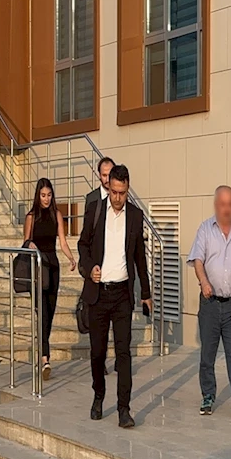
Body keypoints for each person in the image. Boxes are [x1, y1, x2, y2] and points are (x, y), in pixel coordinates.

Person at [78, 165, 152, 428]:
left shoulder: (135, 215)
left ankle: (124, 409)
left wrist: (146, 293)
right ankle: (98, 395)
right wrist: (90, 269)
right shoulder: (95, 210)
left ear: (127, 189)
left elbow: (139, 256)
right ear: (108, 187)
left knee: (123, 353)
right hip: (98, 294)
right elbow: (82, 245)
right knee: (98, 353)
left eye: (122, 193)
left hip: (122, 294)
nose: (118, 198)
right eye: (114, 192)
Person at [187, 186, 231, 419]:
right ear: (216, 204)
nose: (226, 209)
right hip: (210, 303)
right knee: (208, 354)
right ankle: (208, 395)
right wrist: (204, 281)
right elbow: (198, 260)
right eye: (222, 204)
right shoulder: (205, 230)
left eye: (230, 204)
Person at [24, 178, 76, 380]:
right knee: (43, 313)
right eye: (43, 195)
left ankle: (42, 353)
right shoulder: (31, 217)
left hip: (53, 267)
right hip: (38, 268)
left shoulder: (57, 215)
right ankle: (45, 358)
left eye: (49, 195)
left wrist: (71, 258)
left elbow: (62, 242)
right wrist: (30, 245)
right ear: (38, 196)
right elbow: (25, 241)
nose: (46, 199)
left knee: (50, 313)